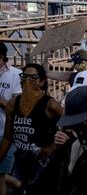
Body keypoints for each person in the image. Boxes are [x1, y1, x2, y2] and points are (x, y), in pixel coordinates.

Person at [0, 64, 63, 194]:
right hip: (21, 160)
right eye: (25, 77)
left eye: (33, 77)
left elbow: (68, 125)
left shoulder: (50, 105)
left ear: (42, 81)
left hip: (43, 162)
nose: (28, 81)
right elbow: (7, 137)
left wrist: (51, 147)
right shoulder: (13, 104)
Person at [0, 43, 21, 195]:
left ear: (1, 58)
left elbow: (16, 107)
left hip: (6, 133)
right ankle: (16, 182)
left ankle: (16, 183)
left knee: (1, 173)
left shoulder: (16, 75)